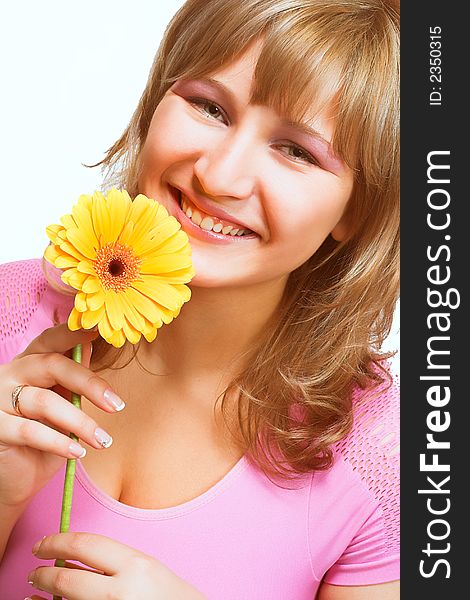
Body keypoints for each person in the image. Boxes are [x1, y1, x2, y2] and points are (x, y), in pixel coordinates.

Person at [0, 0, 400, 598]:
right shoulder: (10, 310)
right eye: (210, 107)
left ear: (357, 210)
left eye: (297, 151)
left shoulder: (385, 453)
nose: (218, 177)